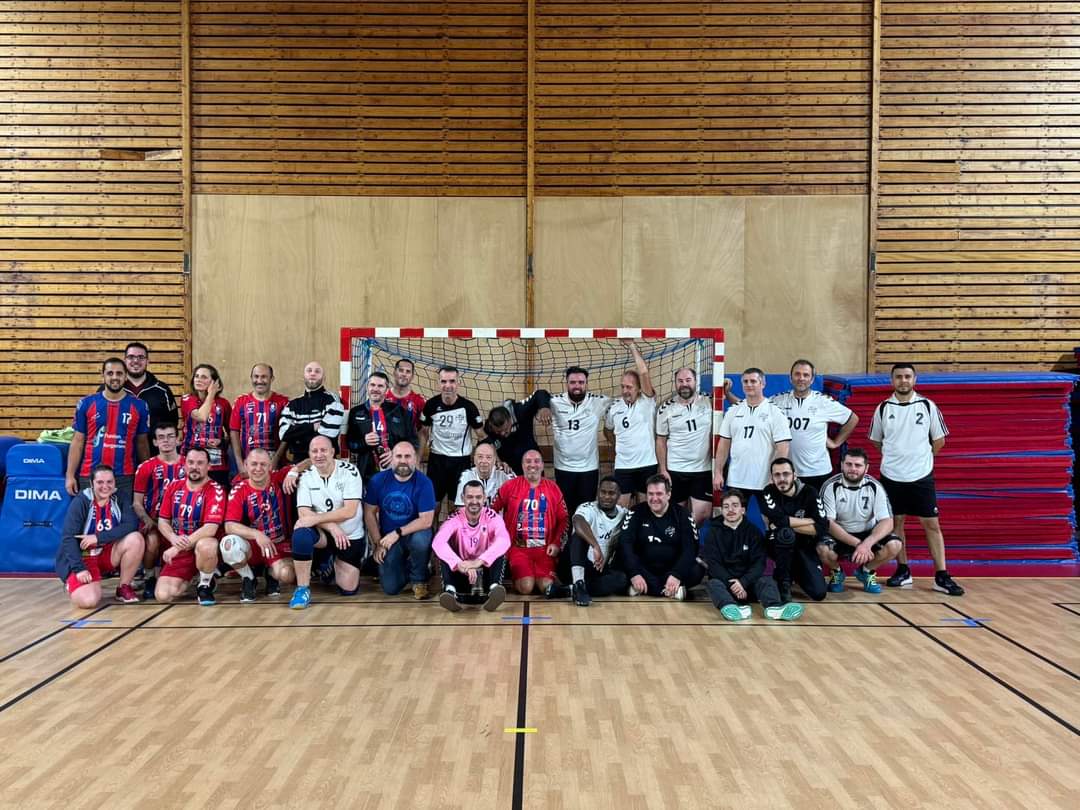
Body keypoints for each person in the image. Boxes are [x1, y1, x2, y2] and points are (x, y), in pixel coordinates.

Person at [869, 363, 963, 596]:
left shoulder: (928, 405)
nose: (903, 380)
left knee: (931, 524)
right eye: (899, 377)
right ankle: (903, 570)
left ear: (914, 379)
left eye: (907, 376)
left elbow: (939, 441)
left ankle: (941, 575)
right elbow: (876, 441)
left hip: (921, 477)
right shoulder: (883, 408)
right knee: (896, 524)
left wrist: (920, 460)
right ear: (892, 380)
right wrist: (897, 458)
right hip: (891, 477)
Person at [288, 435, 367, 609]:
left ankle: (330, 562)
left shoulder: (350, 471)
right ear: (309, 455)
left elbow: (349, 511)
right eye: (314, 451)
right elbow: (303, 513)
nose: (319, 455)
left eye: (323, 450)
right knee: (301, 534)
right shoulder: (306, 476)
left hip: (348, 535)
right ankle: (302, 590)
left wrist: (317, 518)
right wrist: (331, 527)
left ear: (332, 452)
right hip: (324, 534)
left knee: (348, 590)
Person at [703, 490, 804, 621]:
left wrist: (743, 582)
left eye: (735, 505)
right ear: (721, 511)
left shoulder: (753, 532)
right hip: (726, 584)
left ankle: (774, 607)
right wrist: (732, 584)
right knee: (713, 584)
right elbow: (713, 564)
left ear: (743, 510)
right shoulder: (713, 533)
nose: (730, 510)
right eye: (726, 507)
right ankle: (730, 608)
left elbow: (759, 563)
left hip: (749, 583)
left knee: (766, 581)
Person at [56, 465, 145, 608]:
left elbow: (131, 524)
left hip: (105, 554)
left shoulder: (120, 497)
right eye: (100, 482)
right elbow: (68, 538)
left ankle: (124, 587)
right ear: (91, 484)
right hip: (83, 558)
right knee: (88, 601)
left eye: (109, 482)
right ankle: (73, 584)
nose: (105, 486)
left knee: (136, 539)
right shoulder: (81, 502)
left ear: (114, 482)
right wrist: (79, 569)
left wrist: (98, 537)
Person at [817, 448, 902, 595]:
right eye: (849, 464)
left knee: (895, 545)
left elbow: (888, 522)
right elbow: (828, 523)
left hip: (867, 533)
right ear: (842, 465)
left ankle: (866, 571)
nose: (853, 469)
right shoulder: (830, 486)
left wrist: (867, 544)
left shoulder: (875, 486)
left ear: (866, 468)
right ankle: (837, 572)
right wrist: (858, 544)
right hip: (840, 534)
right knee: (822, 548)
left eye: (858, 465)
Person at [66, 356, 151, 503]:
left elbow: (142, 443)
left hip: (125, 477)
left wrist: (147, 475)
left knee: (123, 517)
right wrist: (70, 475)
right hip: (90, 474)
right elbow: (78, 441)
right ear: (103, 375)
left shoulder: (139, 406)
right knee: (90, 517)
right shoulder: (86, 403)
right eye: (110, 373)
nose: (115, 377)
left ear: (126, 376)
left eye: (119, 373)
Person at [223, 448, 301, 602]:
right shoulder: (239, 489)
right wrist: (257, 534)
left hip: (278, 544)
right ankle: (248, 578)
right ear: (246, 465)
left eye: (263, 464)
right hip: (254, 546)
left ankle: (270, 573)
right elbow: (229, 525)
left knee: (287, 575)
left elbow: (309, 461)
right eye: (254, 464)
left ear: (270, 466)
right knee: (228, 544)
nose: (258, 469)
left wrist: (294, 471)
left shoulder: (278, 477)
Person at [769, 359, 858, 491]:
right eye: (797, 374)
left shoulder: (823, 402)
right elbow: (755, 408)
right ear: (790, 378)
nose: (801, 378)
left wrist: (836, 442)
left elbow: (852, 419)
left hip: (818, 471)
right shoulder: (778, 400)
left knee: (817, 505)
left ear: (812, 380)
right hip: (788, 471)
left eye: (806, 375)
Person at [363, 441, 437, 598]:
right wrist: (378, 543)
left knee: (421, 540)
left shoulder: (424, 483)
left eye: (407, 456)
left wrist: (397, 533)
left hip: (414, 533)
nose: (403, 460)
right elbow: (369, 512)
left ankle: (419, 580)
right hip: (389, 538)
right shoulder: (377, 481)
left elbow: (426, 520)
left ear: (415, 459)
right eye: (399, 456)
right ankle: (419, 567)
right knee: (390, 588)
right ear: (391, 458)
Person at [155, 447, 227, 605]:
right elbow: (162, 521)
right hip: (182, 549)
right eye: (191, 462)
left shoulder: (216, 490)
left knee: (206, 545)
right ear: (184, 464)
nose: (195, 467)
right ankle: (195, 577)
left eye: (200, 463)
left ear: (209, 466)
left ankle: (205, 584)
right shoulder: (173, 487)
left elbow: (210, 529)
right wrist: (172, 537)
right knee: (163, 595)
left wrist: (177, 547)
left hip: (203, 548)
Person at [492, 449, 568, 595]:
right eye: (528, 461)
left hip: (544, 550)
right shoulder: (509, 486)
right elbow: (491, 512)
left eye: (536, 461)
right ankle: (524, 576)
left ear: (542, 465)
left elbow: (564, 519)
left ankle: (553, 581)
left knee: (546, 587)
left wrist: (556, 543)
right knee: (526, 587)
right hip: (518, 549)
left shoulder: (553, 488)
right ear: (522, 465)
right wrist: (501, 539)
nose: (532, 465)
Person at [713, 367, 792, 504]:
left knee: (770, 516)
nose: (749, 385)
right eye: (745, 381)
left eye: (753, 381)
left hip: (765, 481)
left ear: (763, 384)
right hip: (736, 479)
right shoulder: (733, 411)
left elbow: (783, 448)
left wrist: (775, 476)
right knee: (734, 515)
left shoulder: (775, 412)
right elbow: (724, 444)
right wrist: (718, 472)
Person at [619, 475, 703, 599]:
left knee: (697, 570)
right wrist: (634, 573)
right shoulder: (635, 512)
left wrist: (676, 574)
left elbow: (690, 549)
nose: (654, 498)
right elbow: (625, 545)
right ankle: (671, 591)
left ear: (668, 495)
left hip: (671, 570)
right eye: (650, 494)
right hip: (643, 571)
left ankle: (644, 589)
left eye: (659, 494)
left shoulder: (682, 514)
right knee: (621, 569)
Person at [432, 480, 510, 612]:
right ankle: (450, 591)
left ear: (484, 498)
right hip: (461, 572)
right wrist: (459, 564)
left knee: (499, 547)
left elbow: (504, 540)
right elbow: (437, 542)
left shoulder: (492, 517)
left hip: (485, 572)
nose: (474, 501)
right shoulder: (454, 518)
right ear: (462, 498)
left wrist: (478, 562)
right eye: (470, 497)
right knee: (445, 548)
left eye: (478, 497)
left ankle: (494, 588)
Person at [759, 458, 828, 603]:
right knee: (785, 534)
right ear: (772, 477)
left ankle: (791, 572)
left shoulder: (810, 492)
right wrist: (810, 520)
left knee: (819, 593)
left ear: (794, 475)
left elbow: (822, 527)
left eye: (786, 474)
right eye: (777, 475)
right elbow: (779, 521)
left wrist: (785, 523)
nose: (782, 479)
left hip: (804, 545)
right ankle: (784, 582)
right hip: (777, 543)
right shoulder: (768, 492)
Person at [549, 365, 612, 519]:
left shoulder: (598, 402)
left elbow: (620, 403)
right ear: (566, 383)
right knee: (565, 512)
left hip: (588, 468)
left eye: (581, 382)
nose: (577, 386)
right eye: (573, 382)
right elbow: (538, 397)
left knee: (586, 511)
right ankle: (567, 535)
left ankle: (583, 535)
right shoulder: (554, 402)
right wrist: (542, 408)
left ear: (586, 384)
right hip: (563, 468)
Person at [419, 366, 484, 514]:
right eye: (443, 381)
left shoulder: (468, 407)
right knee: (433, 507)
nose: (447, 385)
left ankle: (453, 530)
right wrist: (417, 459)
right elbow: (423, 433)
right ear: (438, 383)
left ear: (458, 383)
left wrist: (491, 459)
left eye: (452, 381)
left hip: (460, 462)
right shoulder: (431, 405)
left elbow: (482, 436)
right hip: (437, 461)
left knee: (455, 508)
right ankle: (434, 531)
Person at [132, 423, 186, 600]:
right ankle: (149, 577)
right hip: (154, 521)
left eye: (170, 436)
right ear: (155, 442)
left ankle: (200, 577)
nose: (166, 441)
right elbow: (137, 503)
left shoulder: (189, 464)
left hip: (183, 524)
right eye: (161, 437)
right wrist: (148, 520)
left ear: (178, 439)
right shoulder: (145, 468)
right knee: (153, 541)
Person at [656, 366, 714, 526]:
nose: (684, 384)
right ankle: (682, 540)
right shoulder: (665, 408)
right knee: (675, 515)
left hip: (702, 469)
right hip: (675, 469)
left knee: (702, 514)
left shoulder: (709, 401)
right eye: (680, 381)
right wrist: (663, 469)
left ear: (695, 381)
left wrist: (726, 386)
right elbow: (660, 440)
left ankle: (690, 538)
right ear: (675, 383)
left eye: (688, 380)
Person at [603, 341, 657, 506]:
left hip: (647, 464)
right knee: (621, 508)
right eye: (623, 387)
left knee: (645, 508)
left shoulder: (647, 402)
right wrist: (617, 444)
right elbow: (607, 430)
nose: (625, 391)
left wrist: (632, 346)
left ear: (639, 389)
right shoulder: (614, 407)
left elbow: (644, 373)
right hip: (623, 466)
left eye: (629, 387)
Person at [560, 476, 629, 607]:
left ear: (619, 495)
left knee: (621, 579)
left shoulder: (624, 514)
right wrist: (595, 546)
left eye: (611, 493)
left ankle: (569, 590)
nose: (606, 497)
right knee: (578, 537)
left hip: (597, 569)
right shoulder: (588, 507)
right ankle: (578, 583)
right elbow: (578, 521)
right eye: (603, 492)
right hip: (574, 564)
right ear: (598, 492)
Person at [345, 371, 418, 481]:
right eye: (372, 385)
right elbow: (350, 444)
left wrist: (396, 452)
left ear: (387, 389)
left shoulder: (399, 411)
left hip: (397, 470)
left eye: (380, 386)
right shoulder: (356, 412)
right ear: (367, 387)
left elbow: (413, 441)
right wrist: (364, 441)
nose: (375, 389)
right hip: (367, 474)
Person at [278, 361, 346, 462]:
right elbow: (283, 434)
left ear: (324, 378)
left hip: (325, 462)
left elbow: (327, 435)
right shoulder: (292, 404)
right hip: (298, 463)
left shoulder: (333, 401)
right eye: (309, 371)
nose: (313, 373)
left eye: (317, 371)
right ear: (304, 376)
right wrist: (312, 427)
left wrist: (296, 437)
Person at [180, 363, 232, 489]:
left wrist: (221, 441)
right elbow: (201, 416)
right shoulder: (188, 399)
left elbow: (233, 433)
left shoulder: (223, 404)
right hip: (192, 460)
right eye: (196, 376)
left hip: (217, 462)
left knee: (218, 496)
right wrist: (211, 394)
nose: (198, 379)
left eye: (204, 377)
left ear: (215, 382)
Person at [229, 363, 290, 470]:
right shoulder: (241, 401)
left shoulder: (283, 402)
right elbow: (234, 431)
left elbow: (288, 433)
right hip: (249, 465)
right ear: (251, 378)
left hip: (275, 465)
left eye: (264, 377)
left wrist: (276, 459)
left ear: (272, 379)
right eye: (256, 376)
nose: (259, 380)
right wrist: (239, 463)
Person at [483, 389, 552, 474]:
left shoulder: (521, 410)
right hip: (508, 471)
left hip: (531, 465)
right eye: (498, 432)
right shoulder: (488, 428)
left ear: (509, 419)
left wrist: (544, 407)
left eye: (505, 429)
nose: (503, 434)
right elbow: (486, 446)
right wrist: (497, 461)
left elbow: (540, 393)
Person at [120, 341, 178, 443]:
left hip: (153, 449)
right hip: (119, 449)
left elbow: (172, 423)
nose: (136, 361)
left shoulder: (162, 390)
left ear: (147, 361)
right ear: (125, 360)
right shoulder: (109, 390)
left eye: (141, 357)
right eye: (131, 357)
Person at [453, 441, 514, 506]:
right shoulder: (466, 476)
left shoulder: (505, 474)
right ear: (474, 459)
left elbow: (519, 499)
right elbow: (460, 508)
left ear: (494, 460)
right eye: (480, 457)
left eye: (488, 457)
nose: (484, 461)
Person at [385, 358, 427, 431]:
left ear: (412, 376)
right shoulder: (383, 397)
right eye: (401, 370)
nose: (404, 374)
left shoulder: (419, 401)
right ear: (394, 373)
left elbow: (423, 431)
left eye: (408, 371)